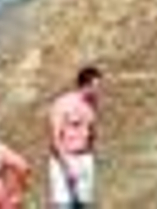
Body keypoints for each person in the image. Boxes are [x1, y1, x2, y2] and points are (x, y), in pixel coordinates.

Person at [48, 66, 102, 209]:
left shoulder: (93, 104)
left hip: (84, 158)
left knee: (85, 204)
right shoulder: (63, 104)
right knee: (64, 204)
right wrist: (67, 166)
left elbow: (91, 131)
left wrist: (91, 155)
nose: (99, 90)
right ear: (85, 85)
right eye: (96, 86)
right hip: (65, 158)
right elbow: (55, 138)